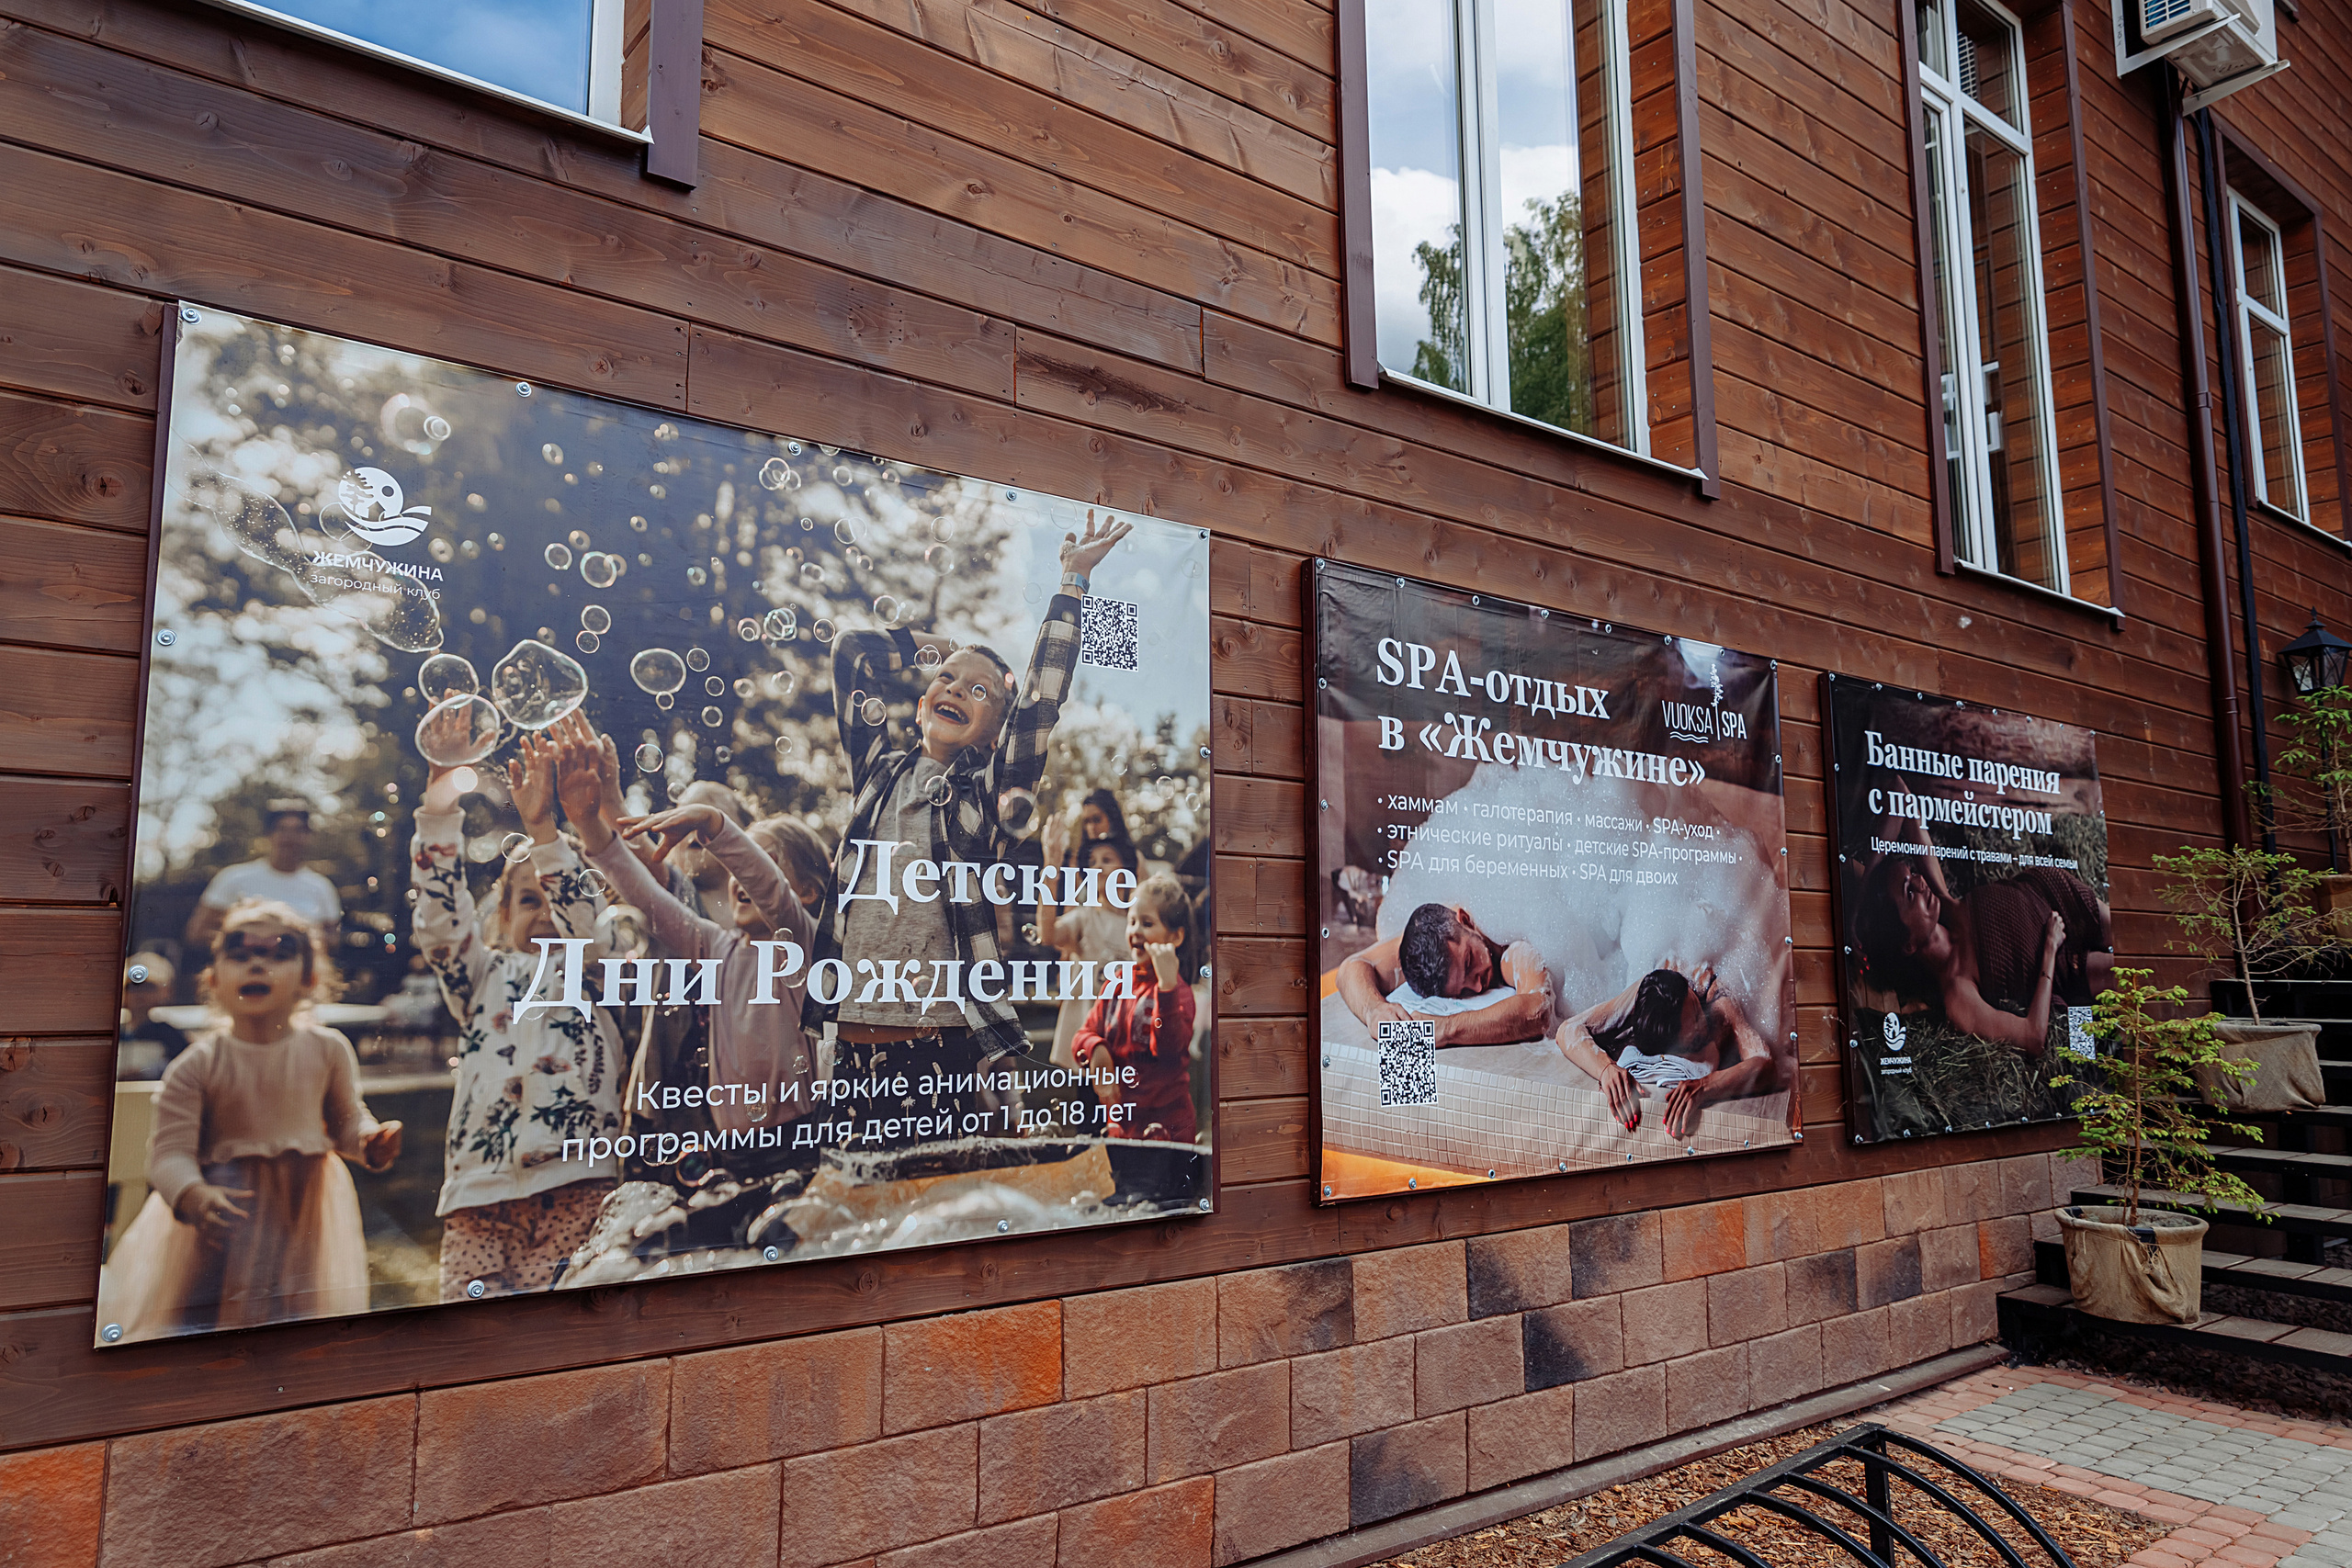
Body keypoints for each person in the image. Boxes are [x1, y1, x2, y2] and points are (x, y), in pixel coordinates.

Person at [805, 510, 1132, 1147]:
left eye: (980, 690)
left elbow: (1039, 701)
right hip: (848, 1040)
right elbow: (850, 650)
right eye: (945, 679)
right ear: (923, 703)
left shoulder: (978, 794)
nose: (956, 687)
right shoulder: (876, 770)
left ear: (994, 731)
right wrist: (933, 645)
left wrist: (1071, 584)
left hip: (939, 1049)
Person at [96, 902, 401, 1342]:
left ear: (309, 979)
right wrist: (194, 1194)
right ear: (213, 980)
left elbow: (345, 1121)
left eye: (280, 954)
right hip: (221, 1220)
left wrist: (370, 1141)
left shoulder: (328, 1050)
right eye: (240, 955)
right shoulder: (197, 1065)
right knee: (204, 1333)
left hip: (302, 1216)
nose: (258, 963)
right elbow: (168, 1155)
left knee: (296, 1331)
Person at [409, 730, 623, 1301]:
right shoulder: (482, 977)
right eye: (530, 901)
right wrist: (438, 805)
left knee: (567, 1340)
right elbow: (438, 919)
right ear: (501, 916)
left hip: (577, 1185)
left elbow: (590, 928)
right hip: (478, 1196)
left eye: (554, 898)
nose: (548, 914)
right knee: (475, 1348)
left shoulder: (594, 975)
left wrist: (546, 833)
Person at [550, 715, 817, 1159]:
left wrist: (717, 825)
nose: (740, 876)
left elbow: (770, 890)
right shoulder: (717, 945)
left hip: (801, 1138)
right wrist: (586, 822)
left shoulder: (801, 945)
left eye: (758, 859)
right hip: (726, 1145)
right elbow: (645, 894)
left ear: (806, 891)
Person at [1853, 798, 2113, 1055]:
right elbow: (2032, 1037)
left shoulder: (1946, 902)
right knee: (2135, 970)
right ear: (1907, 945)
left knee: (2137, 937)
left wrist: (1863, 896)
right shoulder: (1957, 993)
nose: (1921, 882)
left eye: (1913, 873)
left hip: (2057, 895)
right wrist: (2049, 950)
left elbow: (1900, 794)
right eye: (1909, 892)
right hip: (2064, 966)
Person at [1555, 963, 1781, 1140]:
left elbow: (1765, 1063)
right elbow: (1568, 1029)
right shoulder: (1643, 999)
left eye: (1696, 1013)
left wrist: (1706, 1086)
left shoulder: (1719, 1003)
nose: (1701, 1023)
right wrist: (1606, 1068)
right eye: (1693, 1023)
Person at [1073, 872, 1197, 1142]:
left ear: (1175, 937)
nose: (1135, 930)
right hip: (1121, 1129)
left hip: (1167, 1134)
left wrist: (1166, 988)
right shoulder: (1117, 983)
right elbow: (1082, 1035)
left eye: (1147, 923)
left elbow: (1168, 1051)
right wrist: (1097, 1050)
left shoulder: (1180, 994)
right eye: (1132, 921)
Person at [1335, 902, 1552, 1046]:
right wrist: (1374, 1010)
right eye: (1463, 990)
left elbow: (1538, 1010)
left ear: (1465, 921)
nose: (1477, 986)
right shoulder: (1425, 937)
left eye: (1469, 962)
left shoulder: (1504, 939)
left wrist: (1445, 1028)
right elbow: (1350, 967)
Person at [1038, 816, 1141, 1066]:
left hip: (1124, 1036)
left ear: (1126, 870)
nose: (1097, 867)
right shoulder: (1084, 917)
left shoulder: (1137, 923)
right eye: (1092, 862)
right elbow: (1047, 934)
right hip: (1088, 1039)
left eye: (1107, 860)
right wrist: (1051, 867)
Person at [185, 798, 342, 949]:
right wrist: (247, 942)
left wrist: (301, 941)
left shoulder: (321, 887)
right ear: (269, 834)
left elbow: (334, 939)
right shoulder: (233, 878)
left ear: (308, 836)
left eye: (298, 830)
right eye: (282, 829)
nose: (290, 838)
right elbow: (196, 933)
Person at [117, 953, 188, 1080]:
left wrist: (146, 1073)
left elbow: (183, 1066)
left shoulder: (169, 1035)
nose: (139, 994)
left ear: (164, 992)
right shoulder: (116, 1032)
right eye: (132, 987)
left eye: (148, 987)